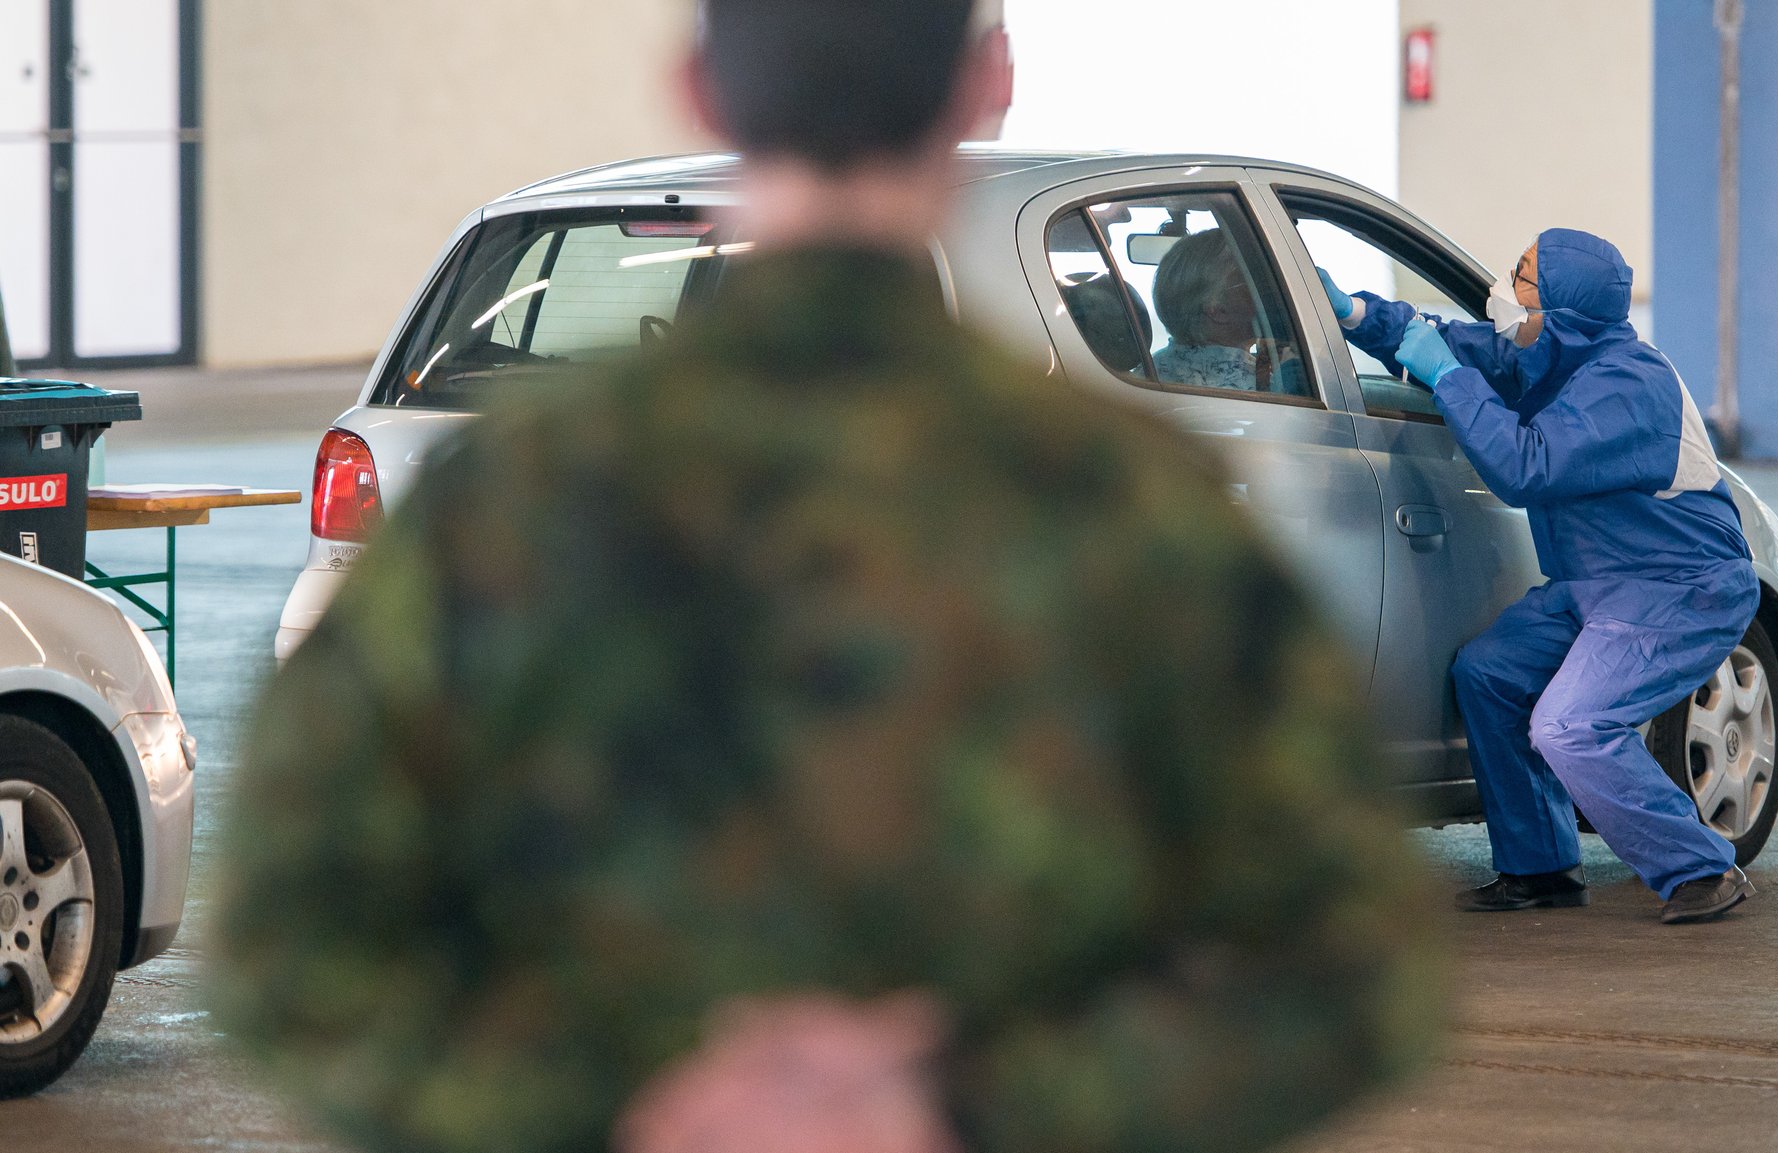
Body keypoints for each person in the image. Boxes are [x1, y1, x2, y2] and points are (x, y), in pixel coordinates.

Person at [209, 3, 1447, 1153]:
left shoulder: (509, 504)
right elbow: (1354, 966)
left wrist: (634, 1101)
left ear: (698, 90)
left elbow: (285, 942)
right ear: (984, 83)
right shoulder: (1124, 502)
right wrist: (961, 1103)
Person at [1322, 230, 1761, 925]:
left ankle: (1700, 866)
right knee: (1488, 672)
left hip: (1678, 589)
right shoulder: (1551, 355)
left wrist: (1451, 379)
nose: (1503, 286)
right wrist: (1353, 313)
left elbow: (1525, 467)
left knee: (1571, 725)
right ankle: (1541, 865)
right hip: (1595, 586)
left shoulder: (1629, 385)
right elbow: (1452, 342)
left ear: (1560, 308)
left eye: (1520, 277)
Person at [1153, 229, 1308, 396]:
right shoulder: (1256, 388)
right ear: (1218, 310)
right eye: (1253, 280)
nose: (1269, 289)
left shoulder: (1150, 370)